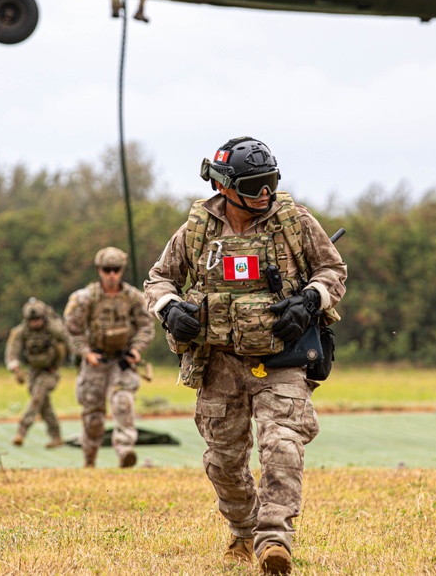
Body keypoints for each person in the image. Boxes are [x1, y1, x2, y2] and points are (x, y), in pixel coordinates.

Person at [143, 137, 346, 575]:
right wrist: (170, 309)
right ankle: (243, 528)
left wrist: (311, 298)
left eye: (271, 182)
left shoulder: (293, 222)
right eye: (255, 185)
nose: (265, 194)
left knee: (282, 444)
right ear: (226, 186)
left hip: (281, 359)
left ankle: (275, 540)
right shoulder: (197, 230)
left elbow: (333, 270)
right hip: (218, 363)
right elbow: (158, 280)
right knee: (224, 461)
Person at [64, 246, 155, 468]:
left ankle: (125, 450)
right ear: (99, 270)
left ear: (121, 270)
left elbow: (147, 325)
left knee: (123, 402)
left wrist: (136, 349)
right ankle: (90, 458)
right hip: (96, 361)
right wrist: (86, 353)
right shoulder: (85, 298)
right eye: (107, 270)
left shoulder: (134, 297)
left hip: (122, 361)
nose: (112, 274)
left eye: (116, 269)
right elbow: (71, 329)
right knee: (93, 417)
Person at [4, 297, 72, 448]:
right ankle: (56, 436)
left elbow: (69, 340)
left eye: (38, 320)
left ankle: (21, 431)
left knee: (37, 398)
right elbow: (12, 350)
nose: (35, 323)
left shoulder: (54, 328)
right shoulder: (22, 331)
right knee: (43, 405)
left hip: (51, 371)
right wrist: (15, 367)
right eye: (32, 320)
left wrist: (78, 358)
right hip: (34, 371)